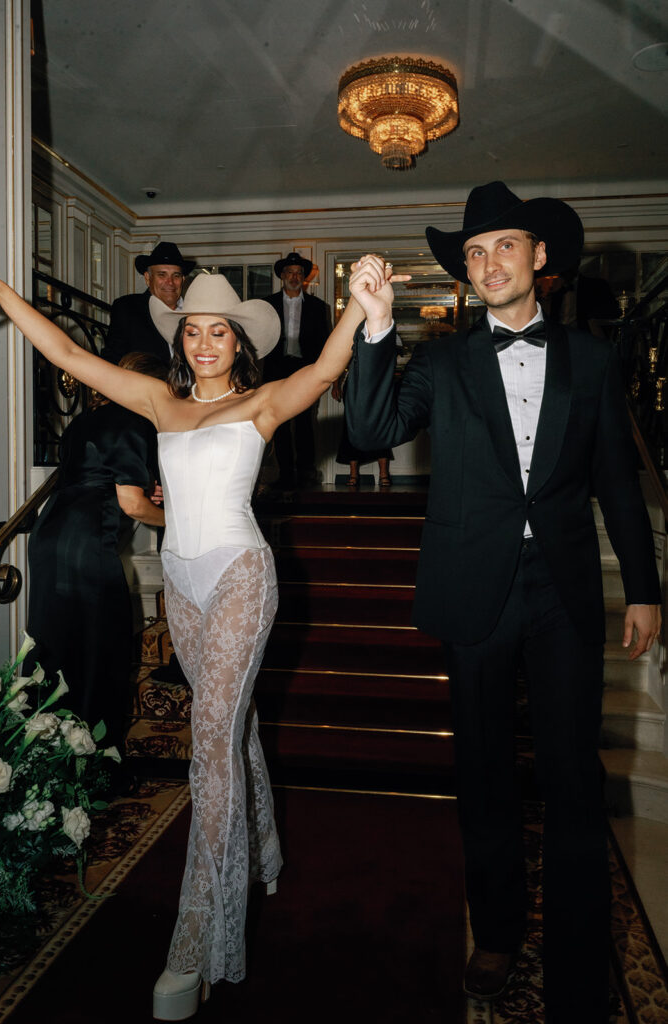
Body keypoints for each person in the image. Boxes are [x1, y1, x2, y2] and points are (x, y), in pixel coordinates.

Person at [0, 253, 403, 1022]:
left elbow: (322, 369)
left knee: (208, 742)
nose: (206, 342)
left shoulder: (265, 402)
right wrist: (3, 292)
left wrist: (357, 304)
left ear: (239, 344)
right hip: (179, 581)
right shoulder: (158, 403)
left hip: (241, 574)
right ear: (180, 342)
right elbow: (70, 355)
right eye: (194, 331)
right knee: (230, 729)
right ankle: (265, 852)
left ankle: (197, 940)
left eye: (220, 332)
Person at [344, 181, 661, 1024]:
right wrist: (377, 326)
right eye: (474, 253)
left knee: (571, 779)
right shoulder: (440, 360)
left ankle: (578, 955)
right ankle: (495, 931)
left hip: (560, 592)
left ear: (540, 259)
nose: (487, 263)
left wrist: (643, 586)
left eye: (503, 247)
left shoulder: (592, 360)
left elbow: (615, 484)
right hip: (469, 589)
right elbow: (369, 432)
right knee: (482, 773)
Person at [25, 351, 167, 749]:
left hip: (51, 533)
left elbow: (96, 478)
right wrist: (179, 521)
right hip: (86, 541)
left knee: (54, 642)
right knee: (101, 646)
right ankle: (94, 761)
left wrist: (141, 491)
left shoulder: (82, 421)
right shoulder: (134, 421)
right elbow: (131, 505)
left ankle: (41, 751)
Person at [262, 251, 332, 488]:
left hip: (306, 370)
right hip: (276, 370)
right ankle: (285, 474)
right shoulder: (267, 305)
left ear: (304, 278)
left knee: (305, 421)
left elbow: (325, 343)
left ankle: (306, 472)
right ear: (282, 275)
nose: (294, 276)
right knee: (279, 423)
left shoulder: (318, 307)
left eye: (299, 273)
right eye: (290, 272)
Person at [102, 241, 195, 365]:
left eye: (176, 276)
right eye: (162, 275)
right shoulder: (128, 308)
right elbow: (112, 360)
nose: (170, 282)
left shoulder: (194, 313)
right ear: (147, 278)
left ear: (183, 280)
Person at [331, 371, 392, 486]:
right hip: (353, 383)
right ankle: (353, 474)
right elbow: (338, 364)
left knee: (379, 424)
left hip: (375, 381)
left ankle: (384, 474)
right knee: (351, 425)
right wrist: (335, 385)